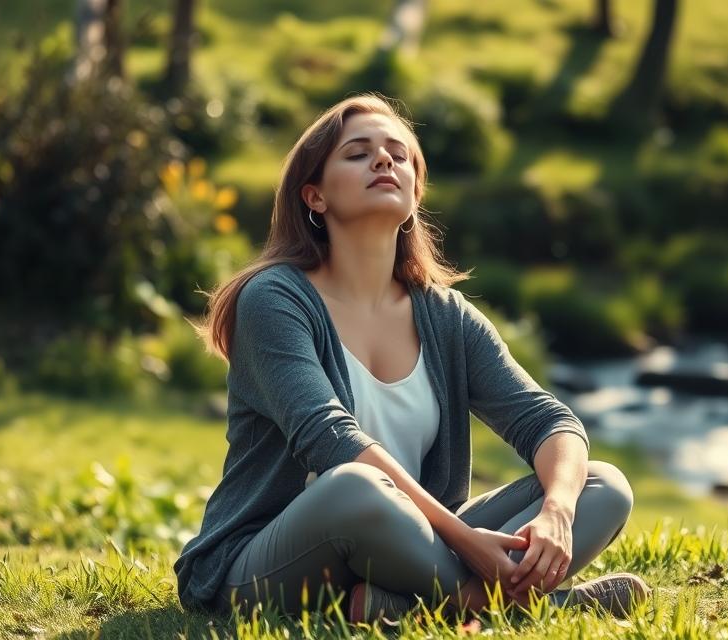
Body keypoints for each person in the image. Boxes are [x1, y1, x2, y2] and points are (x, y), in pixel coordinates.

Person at [173, 93, 650, 623]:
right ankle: (504, 604)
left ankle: (400, 605)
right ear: (315, 196)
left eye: (399, 155)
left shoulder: (444, 315)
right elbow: (330, 440)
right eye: (358, 153)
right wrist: (467, 542)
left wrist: (557, 512)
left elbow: (548, 421)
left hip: (411, 548)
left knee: (602, 483)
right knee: (354, 488)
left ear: (415, 190)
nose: (383, 161)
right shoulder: (274, 299)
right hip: (262, 564)